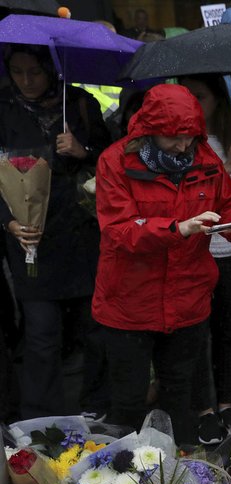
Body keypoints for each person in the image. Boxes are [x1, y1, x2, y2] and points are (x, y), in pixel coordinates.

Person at [93, 84, 231, 443]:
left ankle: (180, 477)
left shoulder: (205, 158)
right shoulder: (114, 161)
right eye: (174, 138)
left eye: (190, 137)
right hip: (128, 303)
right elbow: (119, 231)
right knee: (127, 400)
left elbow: (230, 205)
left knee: (179, 396)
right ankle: (121, 477)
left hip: (187, 301)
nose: (183, 146)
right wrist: (178, 228)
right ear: (150, 130)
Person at [1, 43, 111, 420]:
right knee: (41, 334)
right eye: (17, 72)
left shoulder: (78, 103)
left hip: (81, 233)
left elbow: (111, 157)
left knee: (95, 327)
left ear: (50, 69)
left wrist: (84, 150)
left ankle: (97, 406)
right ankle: (40, 418)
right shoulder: (3, 108)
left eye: (34, 71)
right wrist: (8, 222)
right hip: (30, 239)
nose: (27, 80)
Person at [178, 74, 231, 444]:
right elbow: (193, 196)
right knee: (196, 336)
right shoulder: (180, 145)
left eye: (200, 96)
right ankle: (204, 410)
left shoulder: (230, 138)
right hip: (194, 254)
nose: (194, 103)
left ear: (218, 100)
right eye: (187, 96)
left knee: (227, 333)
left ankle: (225, 403)